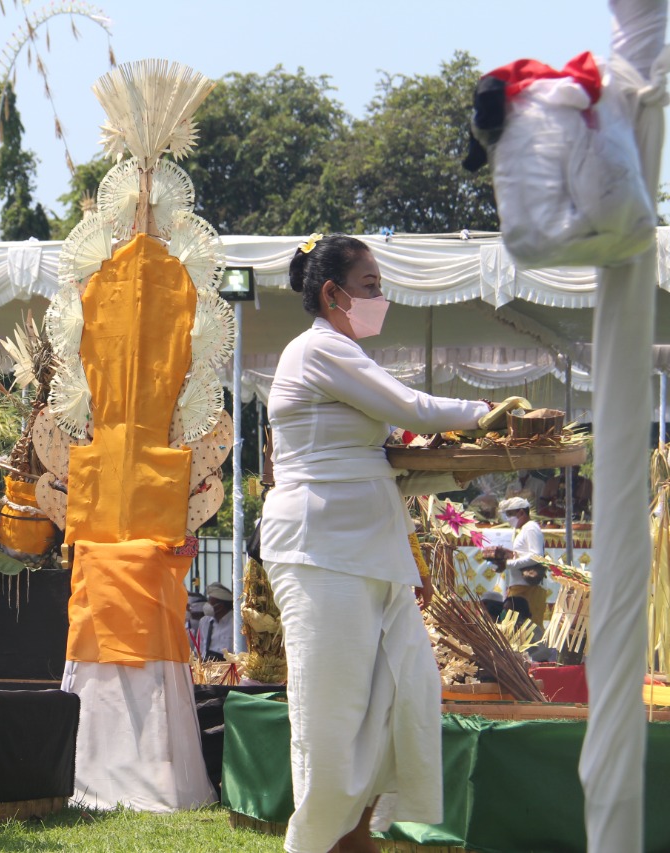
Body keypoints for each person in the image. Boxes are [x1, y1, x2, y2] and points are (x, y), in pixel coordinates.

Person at [261, 234, 492, 853]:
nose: (379, 298)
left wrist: (456, 472)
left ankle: (355, 838)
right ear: (331, 293)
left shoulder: (337, 354)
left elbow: (378, 459)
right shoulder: (316, 351)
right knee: (332, 717)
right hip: (318, 550)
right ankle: (314, 844)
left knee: (399, 694)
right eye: (369, 286)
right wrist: (484, 414)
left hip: (371, 549)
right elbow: (411, 408)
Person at [486, 496, 548, 627]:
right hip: (520, 587)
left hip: (529, 588)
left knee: (529, 629)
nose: (508, 518)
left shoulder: (531, 528)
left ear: (521, 513)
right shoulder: (524, 529)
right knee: (514, 629)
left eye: (510, 514)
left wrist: (508, 564)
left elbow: (536, 556)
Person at [196, 582, 237, 661]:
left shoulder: (235, 623)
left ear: (220, 606)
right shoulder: (205, 622)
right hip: (207, 668)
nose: (207, 605)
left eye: (211, 603)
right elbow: (198, 649)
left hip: (228, 668)